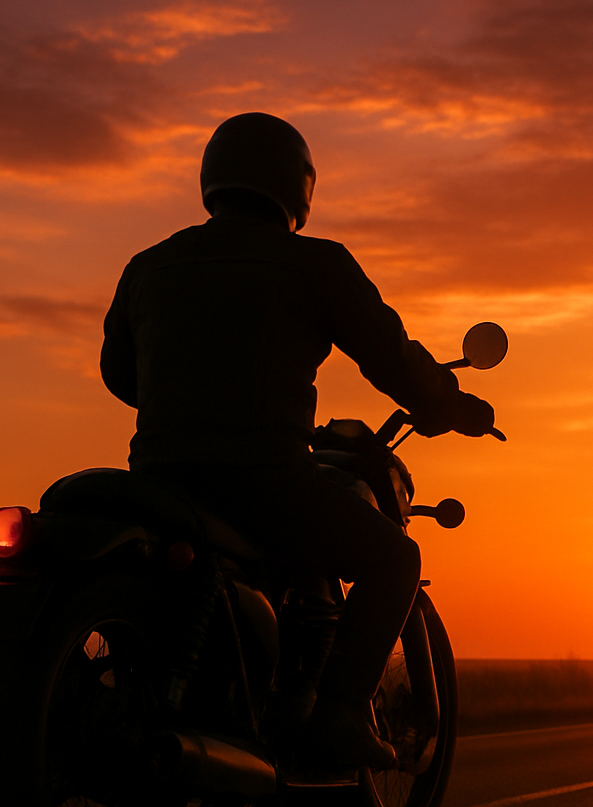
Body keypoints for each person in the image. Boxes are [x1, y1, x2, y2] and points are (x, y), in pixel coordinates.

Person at [99, 113, 495, 770]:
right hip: (263, 483)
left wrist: (192, 400)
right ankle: (337, 714)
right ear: (298, 186)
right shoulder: (312, 263)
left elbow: (120, 375)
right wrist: (449, 405)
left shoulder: (150, 264)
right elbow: (390, 355)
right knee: (395, 557)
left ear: (213, 177)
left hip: (158, 484)